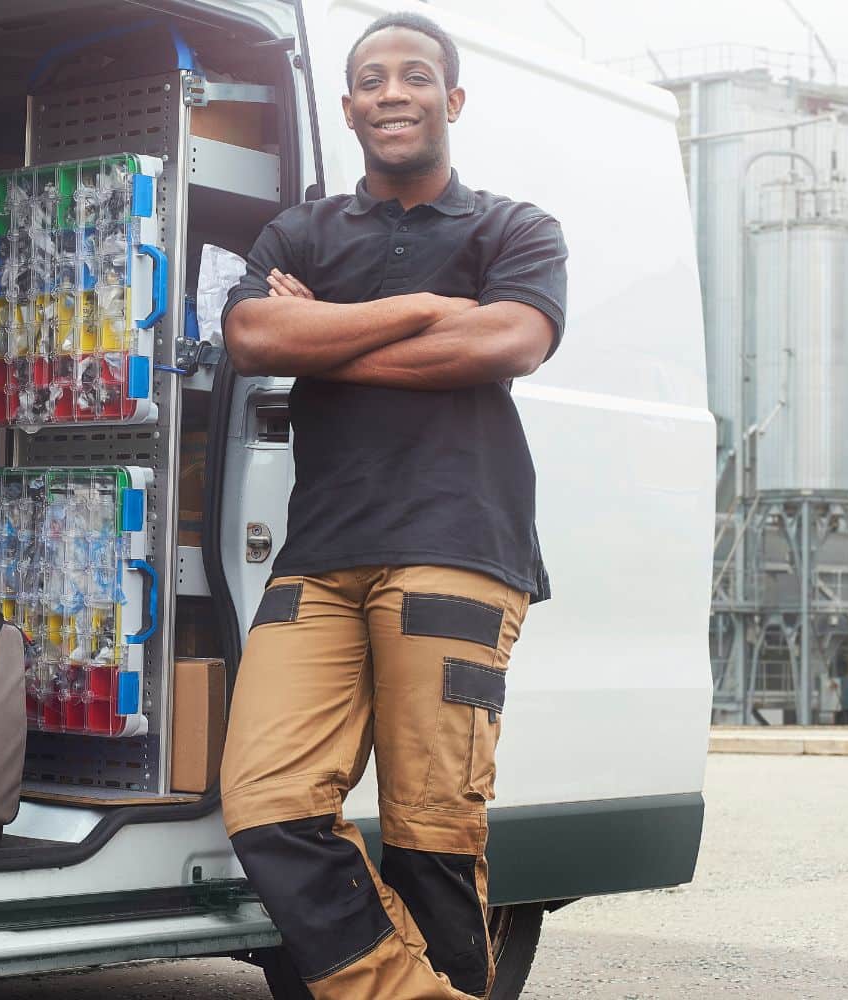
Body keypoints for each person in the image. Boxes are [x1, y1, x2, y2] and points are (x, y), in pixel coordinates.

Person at [217, 11, 568, 1000]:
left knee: (431, 831)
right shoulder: (303, 229)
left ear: (451, 99)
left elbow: (508, 343)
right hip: (319, 555)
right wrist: (421, 310)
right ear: (347, 107)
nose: (392, 93)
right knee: (267, 806)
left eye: (415, 76)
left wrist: (324, 332)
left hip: (458, 542)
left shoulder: (513, 227)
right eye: (371, 80)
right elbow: (252, 337)